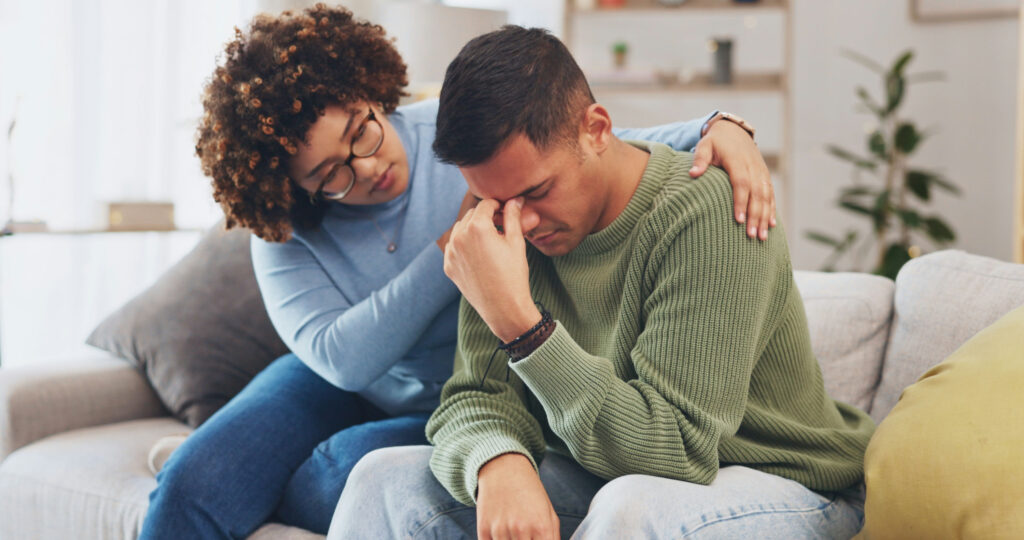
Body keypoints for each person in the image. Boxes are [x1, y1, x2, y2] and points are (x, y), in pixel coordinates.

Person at [139, 6, 778, 539]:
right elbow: (343, 362)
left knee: (338, 469)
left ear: (371, 92)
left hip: (450, 384)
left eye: (361, 132)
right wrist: (453, 253)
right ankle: (228, 480)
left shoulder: (457, 145)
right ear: (294, 191)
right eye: (329, 174)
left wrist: (715, 126)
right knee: (194, 483)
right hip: (349, 380)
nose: (364, 168)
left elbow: (586, 144)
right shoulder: (287, 231)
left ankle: (264, 488)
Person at [328, 25, 875, 540]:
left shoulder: (707, 213)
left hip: (786, 482)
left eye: (537, 191)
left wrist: (523, 327)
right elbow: (474, 399)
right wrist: (498, 459)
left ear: (596, 130)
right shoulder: (502, 225)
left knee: (629, 511)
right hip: (605, 473)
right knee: (382, 476)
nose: (522, 222)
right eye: (497, 200)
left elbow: (676, 451)